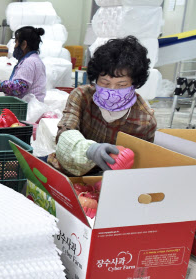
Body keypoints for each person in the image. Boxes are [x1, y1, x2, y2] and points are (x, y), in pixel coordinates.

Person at [48, 36, 157, 176]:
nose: (112, 90)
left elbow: (140, 166)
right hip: (68, 172)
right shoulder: (82, 97)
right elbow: (64, 133)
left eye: (121, 85)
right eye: (105, 83)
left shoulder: (144, 120)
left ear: (135, 84)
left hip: (108, 182)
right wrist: (90, 150)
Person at [0, 26, 47, 102]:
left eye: (16, 42)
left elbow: (18, 88)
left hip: (27, 109)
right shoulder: (35, 60)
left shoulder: (29, 62)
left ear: (24, 44)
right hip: (31, 106)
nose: (14, 46)